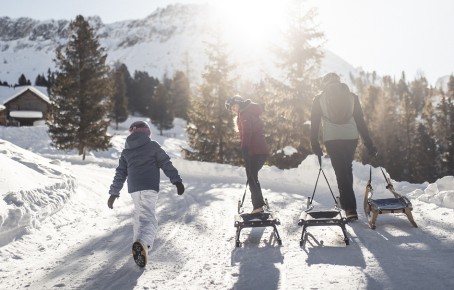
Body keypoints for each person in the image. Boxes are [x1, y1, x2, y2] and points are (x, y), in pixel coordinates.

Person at [107, 120, 185, 267]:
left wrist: (113, 193)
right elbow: (166, 163)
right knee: (149, 218)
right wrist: (177, 181)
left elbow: (120, 173)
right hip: (149, 187)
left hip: (135, 189)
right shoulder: (153, 146)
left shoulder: (126, 151)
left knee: (139, 217)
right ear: (146, 133)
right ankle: (143, 244)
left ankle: (139, 248)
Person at [310, 72, 377, 222]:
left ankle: (350, 209)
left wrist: (314, 143)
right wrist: (369, 143)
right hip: (351, 137)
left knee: (340, 172)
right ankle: (346, 202)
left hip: (332, 138)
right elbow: (360, 121)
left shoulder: (319, 99)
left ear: (325, 83)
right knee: (346, 168)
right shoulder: (352, 97)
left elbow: (314, 124)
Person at [225, 95, 269, 214]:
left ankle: (258, 206)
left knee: (252, 177)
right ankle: (259, 204)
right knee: (253, 177)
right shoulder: (247, 112)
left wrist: (244, 148)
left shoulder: (245, 114)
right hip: (259, 150)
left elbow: (247, 132)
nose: (233, 109)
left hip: (256, 151)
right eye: (231, 108)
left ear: (239, 102)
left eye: (234, 106)